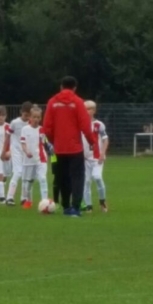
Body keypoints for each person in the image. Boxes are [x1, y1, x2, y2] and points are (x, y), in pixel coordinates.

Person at [43, 76, 95, 217]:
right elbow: (85, 125)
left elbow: (47, 127)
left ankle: (66, 206)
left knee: (63, 177)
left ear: (61, 87)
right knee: (77, 177)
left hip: (59, 148)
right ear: (75, 88)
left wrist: (53, 141)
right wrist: (91, 141)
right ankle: (76, 208)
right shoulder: (78, 102)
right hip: (75, 147)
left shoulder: (52, 102)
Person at [3, 102, 32, 206]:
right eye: (25, 115)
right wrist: (4, 151)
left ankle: (23, 198)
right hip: (16, 150)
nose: (27, 117)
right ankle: (9, 197)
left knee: (26, 174)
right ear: (21, 112)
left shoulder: (31, 123)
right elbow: (7, 136)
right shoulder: (15, 122)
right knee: (18, 172)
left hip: (26, 151)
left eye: (29, 115)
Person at [83, 100, 109, 213]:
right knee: (86, 181)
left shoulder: (99, 124)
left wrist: (103, 153)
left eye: (89, 109)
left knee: (97, 177)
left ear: (94, 111)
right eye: (84, 109)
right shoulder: (80, 124)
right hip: (85, 159)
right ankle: (88, 206)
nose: (86, 111)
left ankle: (102, 201)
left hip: (97, 158)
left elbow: (105, 139)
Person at [20, 105, 49, 208]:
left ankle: (45, 202)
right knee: (29, 182)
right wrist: (26, 151)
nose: (36, 119)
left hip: (41, 159)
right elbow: (23, 143)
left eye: (38, 117)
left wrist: (50, 149)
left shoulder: (42, 129)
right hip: (29, 160)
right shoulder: (25, 129)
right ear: (30, 117)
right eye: (34, 117)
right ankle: (28, 200)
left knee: (42, 179)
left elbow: (44, 142)